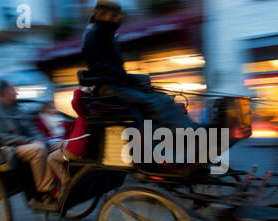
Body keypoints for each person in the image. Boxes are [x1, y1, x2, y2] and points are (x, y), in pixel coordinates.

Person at [81, 0, 199, 131]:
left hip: (115, 84)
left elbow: (113, 70)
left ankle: (187, 129)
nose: (118, 20)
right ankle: (177, 133)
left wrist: (136, 79)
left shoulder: (105, 35)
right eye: (114, 16)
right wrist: (132, 80)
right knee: (152, 102)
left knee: (164, 98)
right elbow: (105, 69)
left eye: (118, 17)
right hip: (108, 87)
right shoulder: (95, 36)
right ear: (101, 15)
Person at [0, 80, 58, 203]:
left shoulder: (19, 109)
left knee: (59, 144)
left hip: (29, 144)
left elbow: (32, 129)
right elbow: (1, 137)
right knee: (39, 149)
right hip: (11, 148)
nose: (16, 93)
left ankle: (67, 182)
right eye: (13, 90)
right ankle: (46, 191)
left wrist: (42, 140)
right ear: (4, 92)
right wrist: (30, 141)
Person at [47, 87, 91, 189]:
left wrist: (79, 90)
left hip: (76, 149)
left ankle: (65, 182)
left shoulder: (84, 112)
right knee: (54, 145)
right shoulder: (92, 111)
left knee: (51, 158)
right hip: (78, 144)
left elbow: (75, 103)